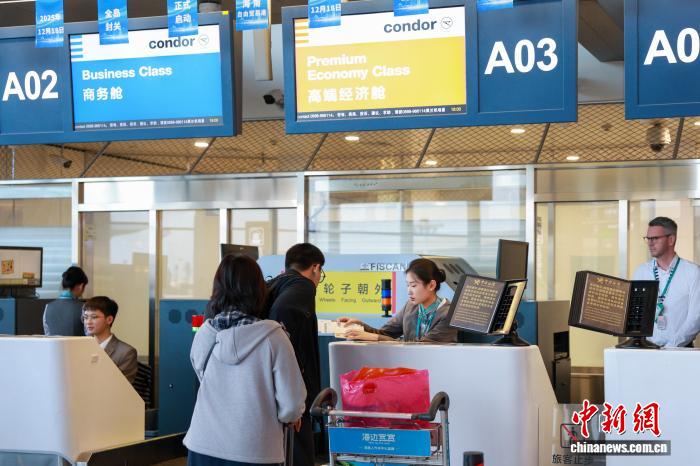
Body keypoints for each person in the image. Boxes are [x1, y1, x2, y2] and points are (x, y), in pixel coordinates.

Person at [184, 254, 306, 466]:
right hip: (255, 450)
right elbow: (291, 405)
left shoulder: (205, 333)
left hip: (203, 444)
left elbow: (203, 377)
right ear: (259, 290)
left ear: (218, 290)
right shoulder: (274, 338)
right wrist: (290, 416)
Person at [265, 243, 325, 466]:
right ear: (315, 267)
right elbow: (283, 314)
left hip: (270, 383)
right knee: (299, 452)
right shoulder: (303, 286)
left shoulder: (277, 283)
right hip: (292, 386)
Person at [338, 258, 458, 343]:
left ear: (431, 285)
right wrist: (360, 326)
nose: (409, 291)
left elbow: (422, 347)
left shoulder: (448, 314)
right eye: (408, 285)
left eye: (414, 285)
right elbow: (385, 333)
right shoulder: (410, 306)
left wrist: (375, 338)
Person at [633, 216, 700, 348]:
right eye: (648, 238)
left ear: (671, 240)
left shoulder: (693, 272)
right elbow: (635, 314)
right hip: (646, 350)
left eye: (655, 238)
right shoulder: (641, 272)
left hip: (680, 350)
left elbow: (696, 317)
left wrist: (670, 348)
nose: (650, 243)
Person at [82, 296, 138, 383]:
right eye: (86, 317)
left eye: (94, 317)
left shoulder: (126, 352)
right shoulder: (81, 348)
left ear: (109, 320)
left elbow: (121, 386)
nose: (88, 322)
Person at [43, 265, 88, 336]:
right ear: (81, 286)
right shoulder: (84, 307)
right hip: (80, 343)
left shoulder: (48, 307)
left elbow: (47, 334)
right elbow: (89, 334)